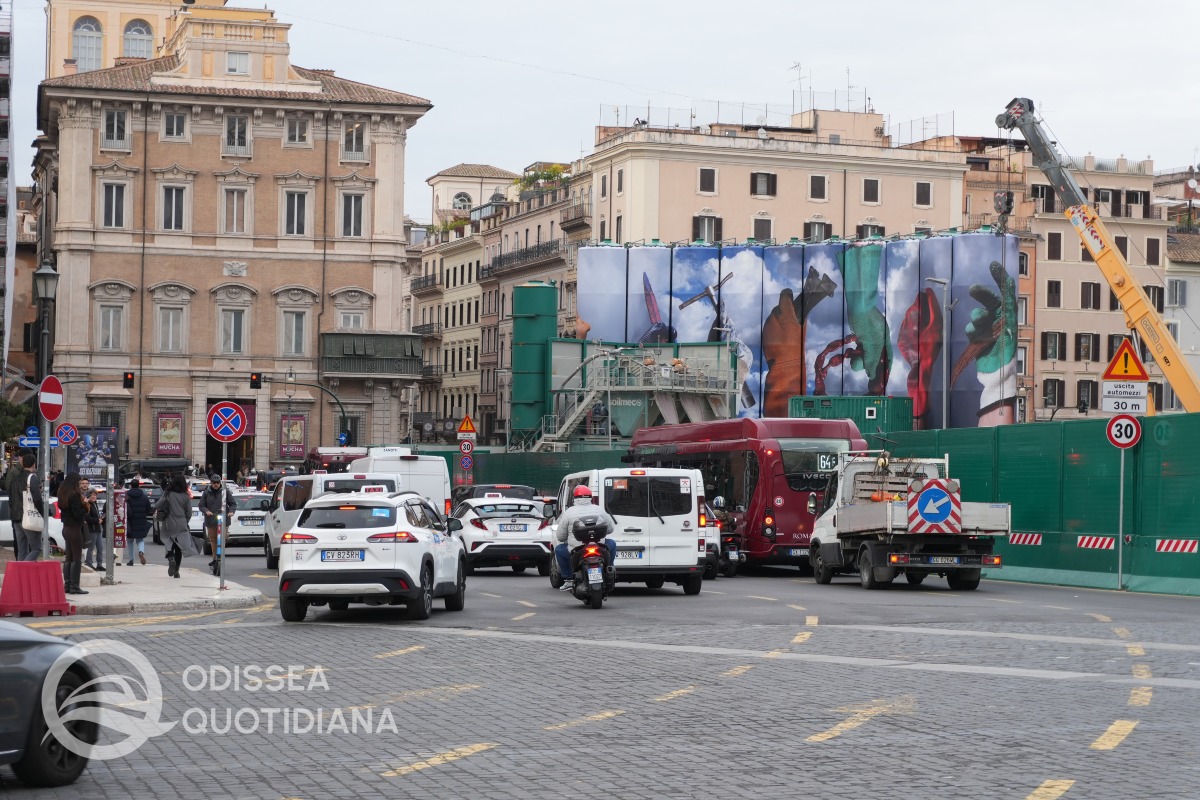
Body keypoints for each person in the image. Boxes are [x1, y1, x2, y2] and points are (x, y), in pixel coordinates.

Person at [554, 485, 617, 591]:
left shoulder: (569, 512)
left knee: (559, 550)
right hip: (599, 546)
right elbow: (610, 529)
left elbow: (560, 537)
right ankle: (609, 568)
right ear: (590, 497)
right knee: (612, 543)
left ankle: (568, 579)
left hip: (577, 549)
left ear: (575, 498)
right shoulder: (599, 510)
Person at [155, 474, 197, 578]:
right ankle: (177, 571)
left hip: (169, 521)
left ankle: (170, 556)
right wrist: (185, 521)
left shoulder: (168, 493)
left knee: (168, 541)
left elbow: (157, 505)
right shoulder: (186, 496)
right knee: (179, 546)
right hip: (182, 522)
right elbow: (189, 512)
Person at [57, 472, 90, 595]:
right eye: (79, 482)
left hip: (66, 528)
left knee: (69, 557)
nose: (80, 485)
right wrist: (86, 505)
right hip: (75, 529)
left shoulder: (62, 493)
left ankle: (68, 585)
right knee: (76, 557)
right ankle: (75, 586)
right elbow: (78, 514)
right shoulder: (74, 495)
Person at [198, 474, 236, 573]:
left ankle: (221, 556)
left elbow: (233, 503)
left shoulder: (225, 492)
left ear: (220, 483)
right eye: (214, 483)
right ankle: (215, 557)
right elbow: (201, 505)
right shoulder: (207, 493)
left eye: (217, 483)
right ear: (211, 483)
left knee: (223, 539)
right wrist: (206, 511)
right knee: (213, 539)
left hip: (224, 520)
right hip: (211, 520)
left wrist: (231, 512)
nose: (216, 484)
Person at [15, 454, 45, 562]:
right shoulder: (32, 477)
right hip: (30, 516)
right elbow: (37, 498)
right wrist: (42, 514)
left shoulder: (16, 477)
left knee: (22, 551)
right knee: (36, 548)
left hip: (17, 517)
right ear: (33, 464)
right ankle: (24, 569)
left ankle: (19, 576)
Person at [4, 453, 27, 560]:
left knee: (28, 542)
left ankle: (25, 562)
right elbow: (8, 487)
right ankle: (19, 561)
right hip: (17, 510)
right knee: (18, 540)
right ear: (20, 458)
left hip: (27, 510)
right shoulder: (14, 471)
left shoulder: (30, 472)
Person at [124, 478, 151, 565]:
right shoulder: (144, 497)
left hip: (130, 521)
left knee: (130, 540)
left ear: (131, 486)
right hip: (141, 520)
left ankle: (131, 560)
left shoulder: (127, 496)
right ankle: (141, 551)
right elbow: (149, 509)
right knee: (140, 539)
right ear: (139, 485)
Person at [80, 478, 104, 571]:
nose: (94, 497)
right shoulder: (88, 504)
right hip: (92, 529)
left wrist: (100, 519)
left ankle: (99, 564)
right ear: (89, 496)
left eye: (95, 495)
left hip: (98, 529)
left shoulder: (95, 504)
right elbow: (87, 517)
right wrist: (96, 520)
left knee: (100, 548)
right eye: (92, 495)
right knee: (91, 548)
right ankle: (89, 563)